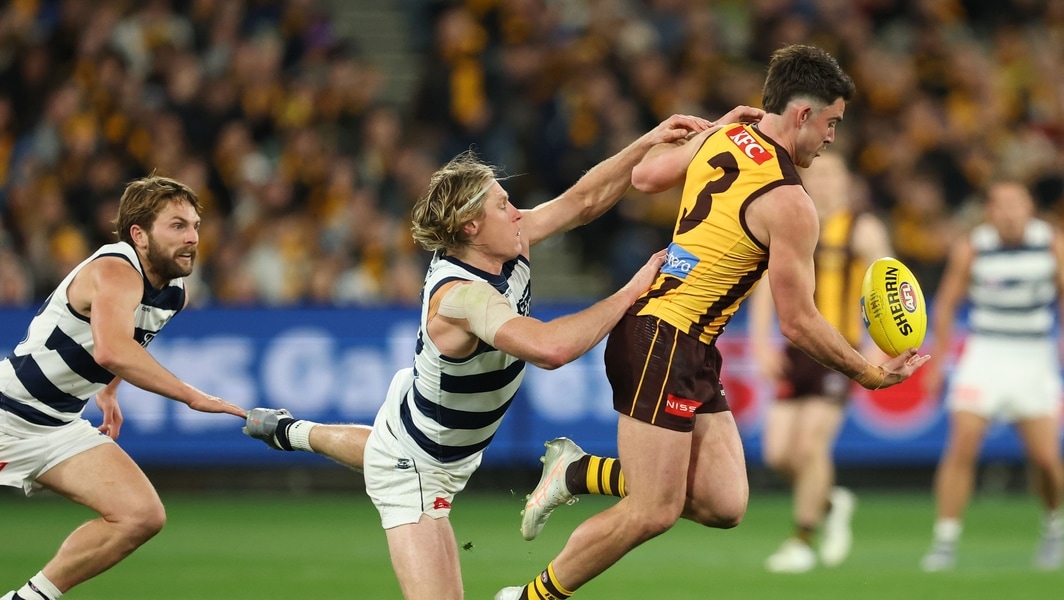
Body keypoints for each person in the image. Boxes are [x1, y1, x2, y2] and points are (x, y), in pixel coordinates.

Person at [241, 108, 765, 600]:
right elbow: (552, 349)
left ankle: (292, 432)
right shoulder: (461, 298)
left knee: (388, 441)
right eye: (502, 205)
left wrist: (651, 141)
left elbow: (584, 201)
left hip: (421, 426)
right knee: (393, 456)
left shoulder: (504, 242)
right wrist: (631, 291)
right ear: (471, 227)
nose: (517, 211)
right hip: (416, 473)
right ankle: (295, 433)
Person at [497, 44, 928, 600]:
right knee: (653, 510)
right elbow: (798, 322)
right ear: (802, 114)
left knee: (724, 503)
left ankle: (577, 473)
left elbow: (646, 175)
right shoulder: (791, 203)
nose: (831, 138)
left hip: (686, 343)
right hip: (664, 337)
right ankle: (528, 597)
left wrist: (712, 129)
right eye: (831, 123)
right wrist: (868, 373)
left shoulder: (727, 135)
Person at [0, 175, 247, 600]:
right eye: (177, 226)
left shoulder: (173, 292)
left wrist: (109, 391)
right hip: (7, 412)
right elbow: (112, 350)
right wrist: (191, 395)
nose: (192, 238)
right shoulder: (115, 269)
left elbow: (127, 340)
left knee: (141, 515)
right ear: (139, 234)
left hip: (58, 425)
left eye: (195, 226)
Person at [749, 151, 892, 573]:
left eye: (834, 174)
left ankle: (801, 540)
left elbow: (889, 283)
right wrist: (760, 343)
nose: (826, 182)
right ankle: (831, 502)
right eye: (820, 174)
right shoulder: (792, 221)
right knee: (778, 454)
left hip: (839, 351)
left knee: (810, 445)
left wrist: (879, 349)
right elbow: (765, 284)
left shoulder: (862, 228)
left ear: (847, 183)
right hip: (796, 350)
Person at [919, 180, 1064, 572]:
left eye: (1016, 203)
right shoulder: (973, 245)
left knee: (1046, 458)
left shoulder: (1052, 243)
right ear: (990, 211)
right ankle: (945, 540)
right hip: (985, 352)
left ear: (1029, 207)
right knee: (962, 445)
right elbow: (947, 304)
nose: (1009, 212)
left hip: (1034, 355)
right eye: (1001, 205)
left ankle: (1053, 526)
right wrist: (938, 361)